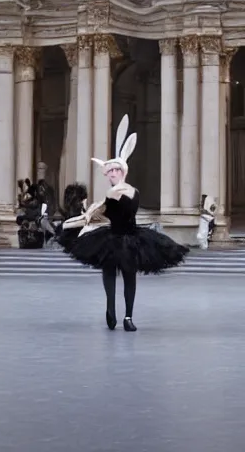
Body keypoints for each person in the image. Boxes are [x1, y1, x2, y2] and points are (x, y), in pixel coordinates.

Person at [61, 114, 189, 331]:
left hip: (130, 238)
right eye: (109, 171)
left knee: (129, 276)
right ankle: (111, 311)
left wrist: (93, 211)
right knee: (110, 273)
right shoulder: (112, 193)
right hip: (113, 237)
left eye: (115, 170)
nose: (111, 174)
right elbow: (101, 214)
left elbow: (113, 207)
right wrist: (83, 218)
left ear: (123, 171)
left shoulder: (124, 192)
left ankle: (128, 316)